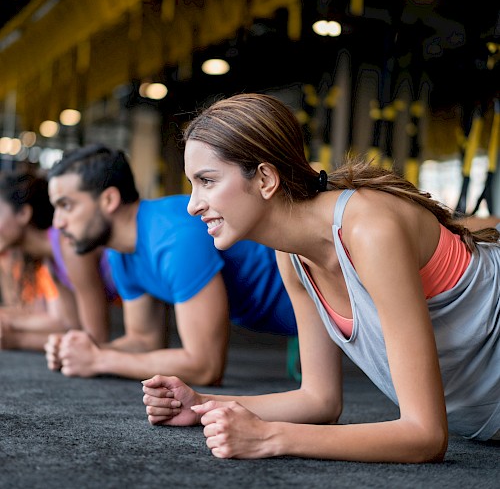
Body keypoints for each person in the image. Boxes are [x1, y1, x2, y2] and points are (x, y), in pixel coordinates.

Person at [142, 93, 500, 463]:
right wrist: (202, 405)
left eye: (207, 181)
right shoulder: (292, 255)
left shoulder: (369, 231)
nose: (192, 204)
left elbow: (425, 436)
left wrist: (269, 437)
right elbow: (319, 401)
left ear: (265, 178)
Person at [44, 144, 296, 384]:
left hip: (326, 305)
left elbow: (205, 366)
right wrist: (82, 351)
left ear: (109, 200)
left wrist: (99, 360)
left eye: (66, 205)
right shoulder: (121, 253)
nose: (58, 223)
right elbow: (143, 341)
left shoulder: (172, 238)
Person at [0, 171, 119, 351]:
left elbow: (95, 339)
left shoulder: (68, 245)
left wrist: (16, 339)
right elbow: (69, 324)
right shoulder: (52, 255)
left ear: (24, 214)